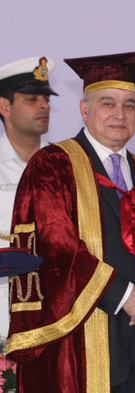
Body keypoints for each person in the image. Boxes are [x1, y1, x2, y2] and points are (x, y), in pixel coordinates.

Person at [6, 52, 135, 393]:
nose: (120, 115)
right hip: (76, 347)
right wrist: (125, 295)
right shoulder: (52, 166)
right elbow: (56, 246)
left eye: (130, 105)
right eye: (108, 103)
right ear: (84, 109)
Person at [0, 56, 57, 339]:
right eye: (32, 99)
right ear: (4, 106)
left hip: (54, 305)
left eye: (46, 99)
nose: (44, 105)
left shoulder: (65, 164)